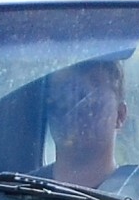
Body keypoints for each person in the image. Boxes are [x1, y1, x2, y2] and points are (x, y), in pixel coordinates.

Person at [42, 58, 127, 188]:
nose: (75, 99)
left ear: (120, 116)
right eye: (64, 86)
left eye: (94, 85)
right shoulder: (14, 197)